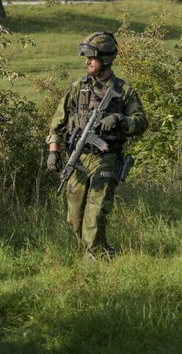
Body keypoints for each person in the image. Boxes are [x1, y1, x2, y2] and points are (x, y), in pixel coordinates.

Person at [46, 31, 148, 260]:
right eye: (86, 57)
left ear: (105, 60)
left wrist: (120, 120)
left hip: (107, 157)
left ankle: (96, 260)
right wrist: (54, 151)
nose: (86, 62)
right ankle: (102, 251)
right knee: (75, 218)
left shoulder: (124, 92)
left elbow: (142, 123)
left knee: (94, 215)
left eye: (91, 58)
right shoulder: (77, 88)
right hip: (79, 159)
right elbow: (57, 123)